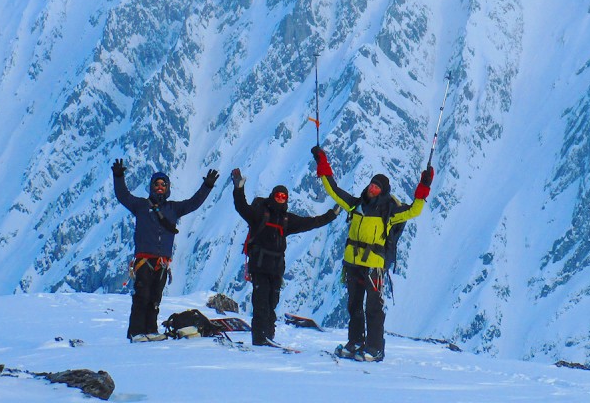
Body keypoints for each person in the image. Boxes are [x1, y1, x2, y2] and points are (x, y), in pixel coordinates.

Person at [310, 145, 432, 361]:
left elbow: (415, 210)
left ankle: (375, 348)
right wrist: (322, 162)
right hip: (353, 263)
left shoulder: (390, 212)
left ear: (383, 191)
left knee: (374, 307)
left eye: (376, 187)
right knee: (354, 305)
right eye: (371, 185)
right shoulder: (355, 205)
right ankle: (355, 342)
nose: (372, 189)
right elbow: (333, 190)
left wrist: (424, 185)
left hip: (375, 265)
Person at [230, 168, 339, 346]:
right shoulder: (260, 214)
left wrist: (331, 216)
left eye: (283, 196)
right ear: (273, 196)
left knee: (272, 303)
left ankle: (268, 336)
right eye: (278, 195)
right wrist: (238, 187)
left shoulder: (287, 219)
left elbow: (311, 222)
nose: (280, 198)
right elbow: (241, 206)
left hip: (276, 268)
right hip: (259, 266)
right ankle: (259, 339)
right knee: (261, 303)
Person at [112, 159, 218, 341]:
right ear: (151, 187)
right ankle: (136, 332)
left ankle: (151, 330)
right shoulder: (140, 205)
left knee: (154, 299)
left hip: (161, 263)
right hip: (144, 260)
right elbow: (123, 195)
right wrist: (119, 176)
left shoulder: (173, 208)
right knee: (142, 296)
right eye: (157, 184)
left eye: (163, 184)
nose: (160, 187)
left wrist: (207, 186)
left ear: (168, 188)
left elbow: (194, 203)